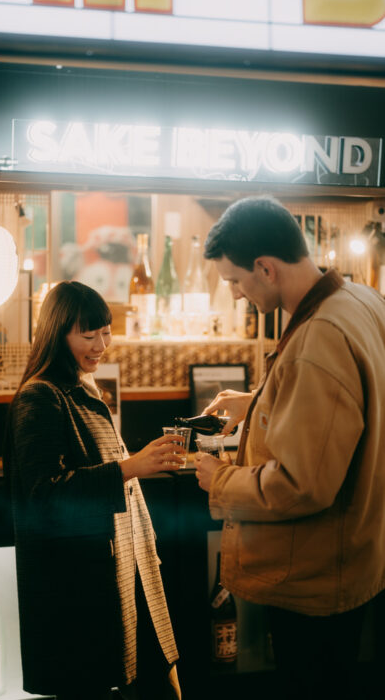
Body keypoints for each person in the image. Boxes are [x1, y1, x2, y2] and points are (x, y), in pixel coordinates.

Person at [195, 195, 385, 699]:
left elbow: (304, 485)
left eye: (235, 280)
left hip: (315, 579)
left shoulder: (318, 333)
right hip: (354, 559)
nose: (235, 294)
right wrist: (258, 403)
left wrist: (222, 480)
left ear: (266, 268)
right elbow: (348, 408)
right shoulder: (362, 300)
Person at [3, 280, 184, 700]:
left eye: (106, 331)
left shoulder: (81, 389)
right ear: (57, 333)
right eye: (88, 334)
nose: (101, 344)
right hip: (78, 591)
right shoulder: (40, 398)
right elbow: (44, 497)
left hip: (119, 573)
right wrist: (131, 466)